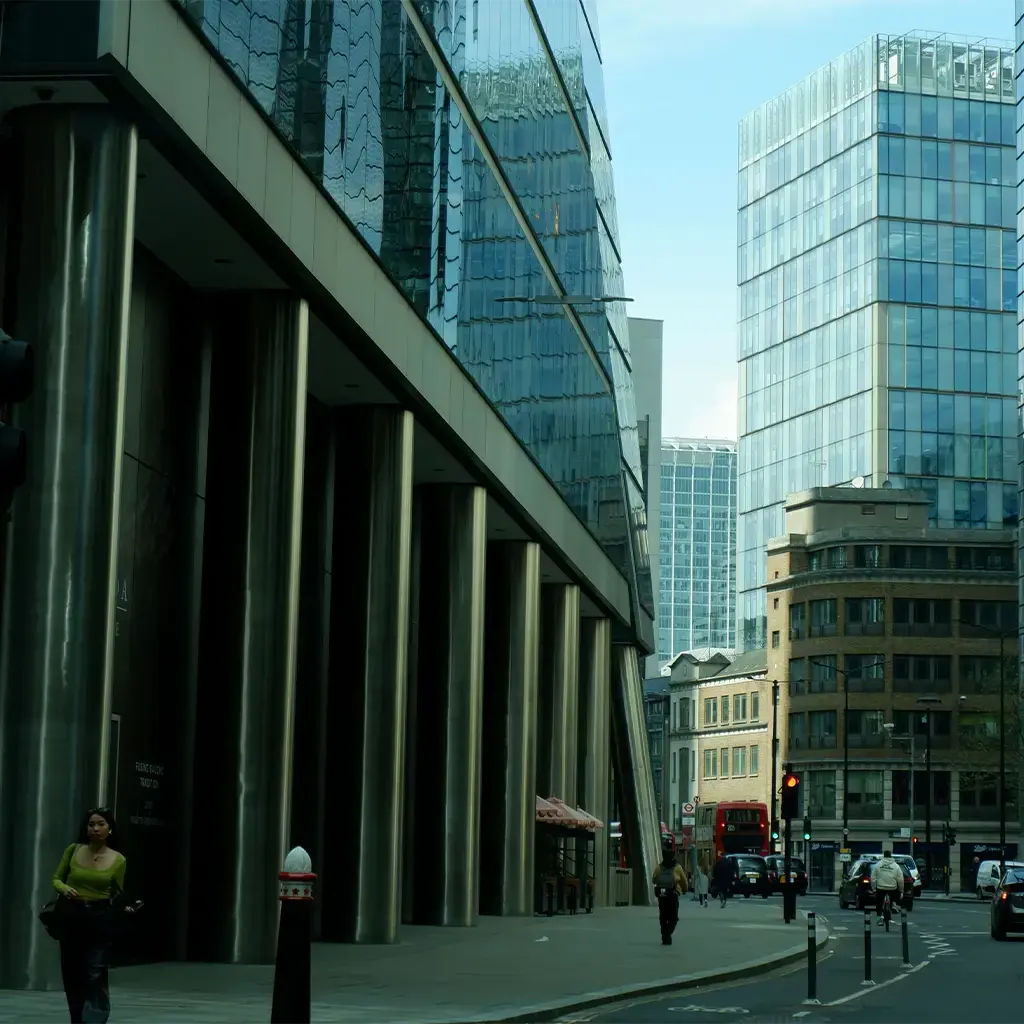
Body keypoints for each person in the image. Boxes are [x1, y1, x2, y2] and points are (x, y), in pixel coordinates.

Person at [52, 807, 133, 1024]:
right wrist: (64, 888)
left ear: (110, 829)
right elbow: (56, 879)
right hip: (72, 916)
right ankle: (77, 1019)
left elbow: (118, 891)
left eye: (101, 824)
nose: (95, 828)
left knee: (95, 973)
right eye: (91, 824)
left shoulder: (118, 860)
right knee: (72, 974)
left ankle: (95, 1020)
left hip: (99, 918)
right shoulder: (74, 850)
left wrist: (124, 908)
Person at [651, 845, 687, 945]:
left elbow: (653, 879)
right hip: (673, 894)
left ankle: (664, 933)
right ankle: (668, 932)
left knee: (663, 916)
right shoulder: (678, 867)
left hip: (662, 895)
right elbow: (684, 882)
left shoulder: (659, 867)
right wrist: (684, 890)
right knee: (673, 917)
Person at [870, 847, 904, 923]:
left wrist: (874, 888)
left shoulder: (878, 865)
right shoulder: (896, 866)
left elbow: (873, 878)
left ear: (884, 856)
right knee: (894, 894)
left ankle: (879, 916)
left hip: (880, 887)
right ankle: (893, 904)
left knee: (879, 901)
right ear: (891, 856)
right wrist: (901, 890)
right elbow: (900, 879)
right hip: (892, 887)